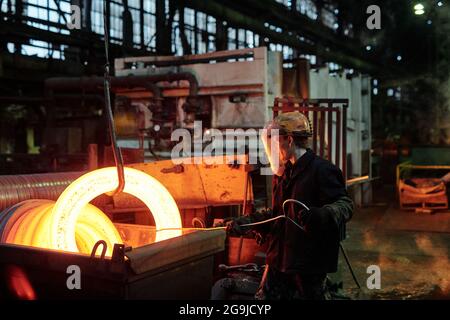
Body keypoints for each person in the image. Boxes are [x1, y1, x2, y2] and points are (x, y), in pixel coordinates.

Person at [227, 111, 354, 300]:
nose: (274, 148)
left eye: (277, 140)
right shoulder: (285, 172)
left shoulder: (322, 170)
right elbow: (278, 213)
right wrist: (247, 223)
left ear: (289, 139)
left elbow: (345, 205)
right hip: (279, 261)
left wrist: (322, 215)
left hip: (308, 265)